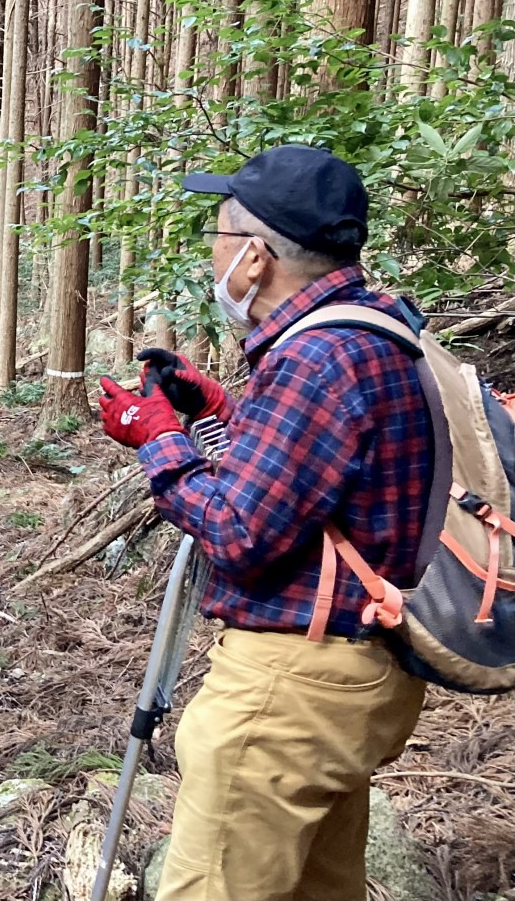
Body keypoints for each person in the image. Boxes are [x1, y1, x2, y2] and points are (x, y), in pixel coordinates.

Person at [97, 145, 432, 900]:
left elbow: (238, 534)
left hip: (290, 688)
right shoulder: (379, 327)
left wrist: (159, 438)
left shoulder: (315, 358)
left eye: (218, 235)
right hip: (360, 673)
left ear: (253, 256)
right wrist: (216, 409)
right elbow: (325, 468)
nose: (212, 252)